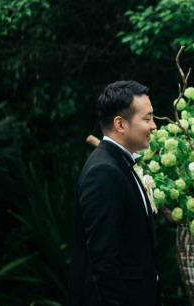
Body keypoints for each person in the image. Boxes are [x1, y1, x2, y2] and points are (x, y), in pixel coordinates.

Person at [68, 80, 161, 306]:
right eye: (147, 119)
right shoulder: (104, 171)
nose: (154, 126)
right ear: (120, 124)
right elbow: (103, 258)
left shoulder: (119, 164)